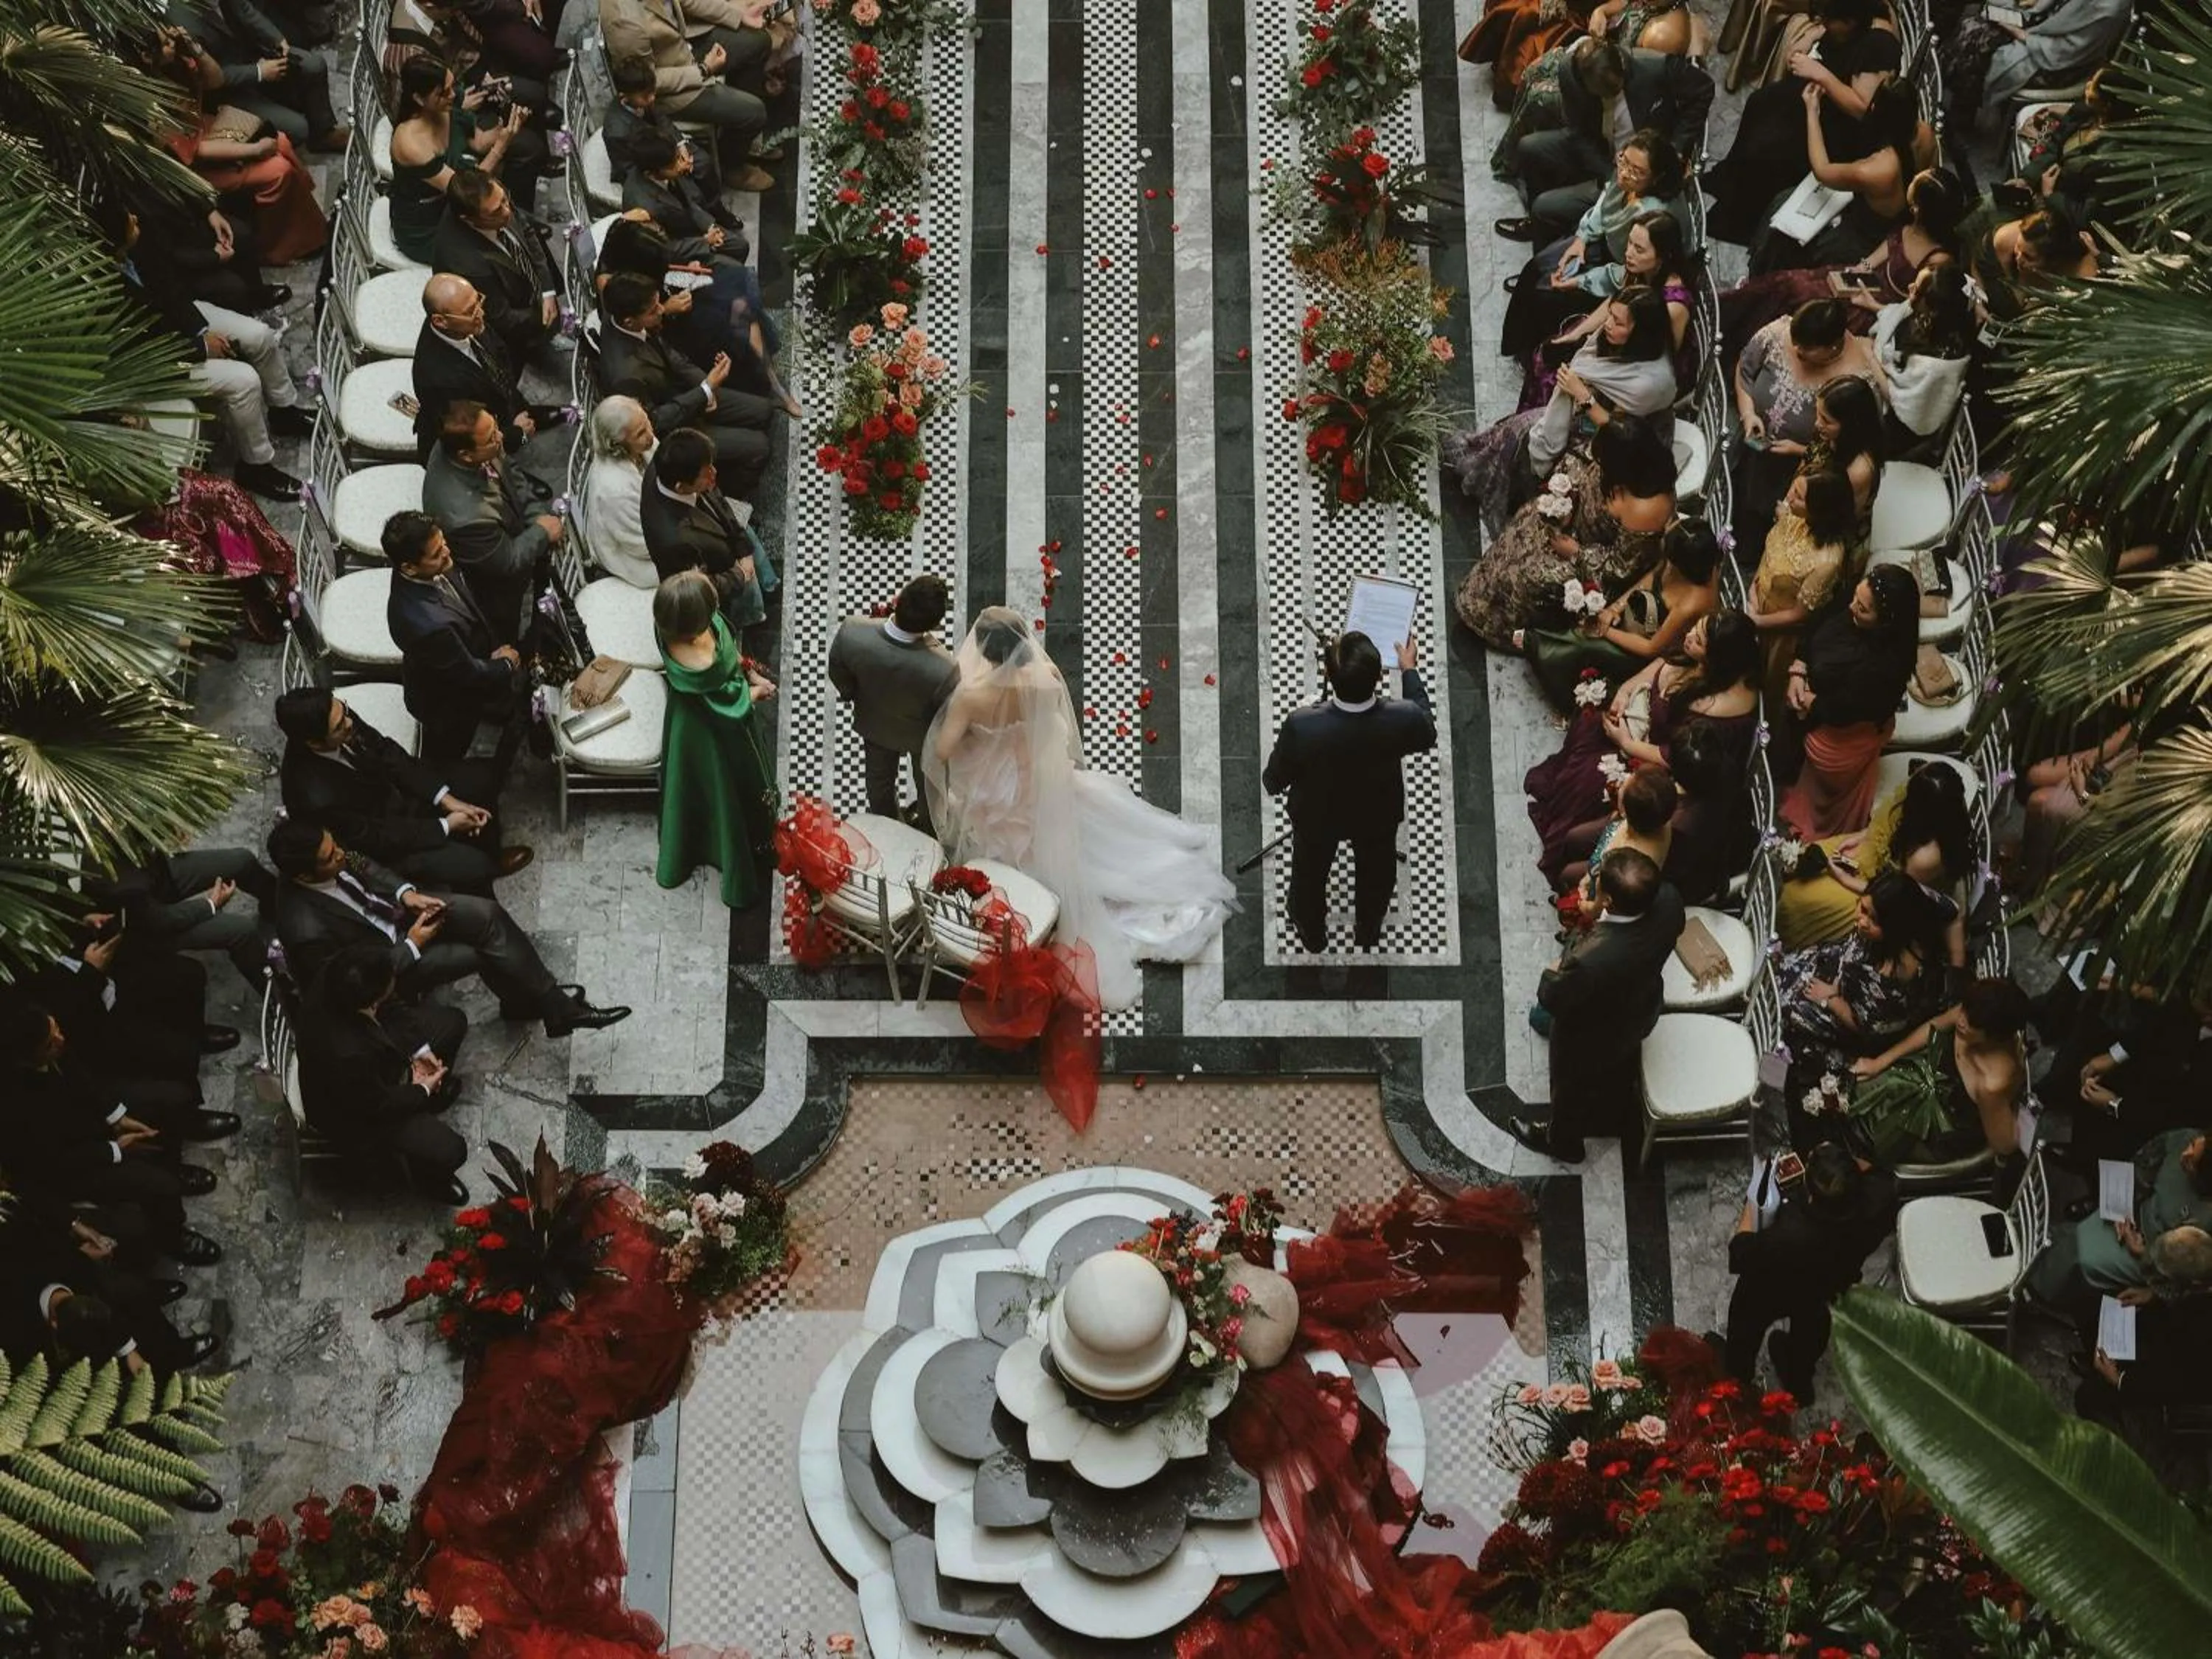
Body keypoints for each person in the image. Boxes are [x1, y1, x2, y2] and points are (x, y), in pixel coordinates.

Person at [925, 608, 1239, 1009]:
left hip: (997, 784)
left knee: (1005, 835)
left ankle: (1025, 893)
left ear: (986, 654)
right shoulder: (1045, 679)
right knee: (1056, 831)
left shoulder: (972, 695)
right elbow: (1053, 724)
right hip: (1038, 776)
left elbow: (944, 749)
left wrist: (977, 736)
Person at [265, 818, 631, 1036]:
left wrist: (405, 892)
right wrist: (411, 945)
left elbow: (362, 864)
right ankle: (537, 1006)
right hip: (390, 965)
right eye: (331, 858)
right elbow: (352, 983)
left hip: (401, 913)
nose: (341, 855)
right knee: (481, 953)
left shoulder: (336, 853)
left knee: (487, 914)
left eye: (336, 846)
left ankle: (552, 1005)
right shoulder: (305, 928)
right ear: (302, 875)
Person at [1527, 611, 1762, 890]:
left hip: (1656, 759)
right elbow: (1652, 672)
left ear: (1715, 659)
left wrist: (1626, 743)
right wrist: (1625, 693)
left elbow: (1676, 756)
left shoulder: (1715, 713)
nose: (1688, 637)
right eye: (1694, 630)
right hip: (1640, 731)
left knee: (1590, 779)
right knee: (1589, 726)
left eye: (1698, 640)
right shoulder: (1689, 654)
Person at [101, 201, 310, 501]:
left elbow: (172, 291)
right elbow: (141, 343)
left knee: (259, 335)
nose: (135, 219)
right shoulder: (107, 288)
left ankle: (284, 409)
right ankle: (257, 466)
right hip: (160, 359)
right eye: (128, 222)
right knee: (245, 382)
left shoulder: (141, 247)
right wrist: (200, 347)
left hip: (184, 320)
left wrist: (201, 331)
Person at [0, 1000, 222, 1267]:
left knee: (166, 1103)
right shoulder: (17, 1107)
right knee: (159, 1186)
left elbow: (81, 1078)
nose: (60, 1039)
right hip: (75, 1164)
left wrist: (117, 1116)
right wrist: (115, 1149)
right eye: (50, 1043)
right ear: (26, 1059)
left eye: (56, 1029)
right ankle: (171, 1237)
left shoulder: (54, 1044)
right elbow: (54, 1161)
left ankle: (170, 1164)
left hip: (89, 1121)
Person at [1262, 630, 1439, 954]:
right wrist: (1410, 671)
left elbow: (1276, 778)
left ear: (1328, 675)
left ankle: (1312, 934)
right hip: (1377, 814)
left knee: (1309, 877)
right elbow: (1427, 732)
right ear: (1380, 675)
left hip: (1317, 817)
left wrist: (1275, 780)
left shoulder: (1303, 724)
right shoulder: (1402, 717)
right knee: (1377, 877)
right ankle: (1368, 930)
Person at [1503, 848, 1685, 1162]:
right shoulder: (1670, 901)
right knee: (1615, 1066)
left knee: (1569, 1090)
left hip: (1590, 1035)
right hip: (1641, 1008)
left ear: (1610, 902)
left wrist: (1555, 967)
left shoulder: (1593, 960)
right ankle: (1611, 1102)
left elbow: (1553, 996)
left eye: (1598, 884)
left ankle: (1563, 1143)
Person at [1455, 408, 1677, 649]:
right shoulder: (1623, 448)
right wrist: (1565, 500)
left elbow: (1621, 566)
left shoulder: (1647, 508)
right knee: (1525, 525)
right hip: (1570, 522)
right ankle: (1476, 597)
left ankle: (1509, 631)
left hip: (1592, 559)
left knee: (1532, 572)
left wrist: (1577, 554)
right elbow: (1583, 458)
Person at [275, 686, 527, 895]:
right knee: (473, 866)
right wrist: (445, 826)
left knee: (483, 779)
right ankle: (482, 878)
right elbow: (375, 837)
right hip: (383, 843)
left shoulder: (339, 717)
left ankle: (489, 848)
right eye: (340, 726)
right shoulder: (314, 798)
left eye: (345, 712)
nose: (351, 723)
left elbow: (386, 752)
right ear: (314, 743)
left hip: (393, 794)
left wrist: (446, 799)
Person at [1717, 167, 1966, 370]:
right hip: (1863, 281)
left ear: (1919, 208)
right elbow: (1885, 250)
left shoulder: (1939, 261)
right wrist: (1860, 269)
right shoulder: (1911, 224)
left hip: (1876, 310)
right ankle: (1729, 317)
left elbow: (1914, 311)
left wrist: (1874, 306)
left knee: (1800, 298)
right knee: (1790, 282)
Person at [1703, 0, 1905, 248]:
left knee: (1766, 147)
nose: (1826, 25)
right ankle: (1732, 184)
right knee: (1760, 102)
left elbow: (1862, 108)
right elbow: (1794, 56)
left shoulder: (1878, 44)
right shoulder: (1839, 25)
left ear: (1850, 22)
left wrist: (1821, 75)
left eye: (1830, 21)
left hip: (1841, 125)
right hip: (1820, 96)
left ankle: (1748, 220)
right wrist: (1812, 35)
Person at [1721, 1140, 1897, 1404]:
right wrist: (1837, 1163)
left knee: (1744, 1330)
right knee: (1811, 1328)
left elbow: (1740, 1252)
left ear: (1811, 1194)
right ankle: (1798, 1380)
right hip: (1828, 1284)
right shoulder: (1880, 1197)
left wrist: (1753, 1201)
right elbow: (1875, 1173)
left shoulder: (1788, 1234)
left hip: (1769, 1289)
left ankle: (1738, 1380)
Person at [298, 945, 470, 1203]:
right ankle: (426, 1179)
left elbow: (392, 1006)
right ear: (370, 1002)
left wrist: (419, 1051)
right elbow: (376, 1104)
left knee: (453, 1023)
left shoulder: (343, 969)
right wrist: (420, 1089)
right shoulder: (347, 1053)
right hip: (353, 1111)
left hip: (373, 1066)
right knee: (452, 1151)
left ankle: (431, 1095)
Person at [145, 26, 327, 264]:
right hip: (193, 165)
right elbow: (193, 151)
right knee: (277, 171)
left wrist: (195, 49)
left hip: (206, 130)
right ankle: (277, 248)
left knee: (280, 140)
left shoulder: (175, 62)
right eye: (166, 43)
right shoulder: (149, 100)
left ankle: (307, 226)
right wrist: (254, 150)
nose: (172, 43)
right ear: (147, 55)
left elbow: (216, 79)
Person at [653, 571, 780, 908]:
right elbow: (730, 703)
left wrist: (748, 668)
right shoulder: (700, 664)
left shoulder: (671, 622)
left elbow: (728, 653)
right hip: (710, 733)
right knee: (724, 789)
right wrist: (755, 690)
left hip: (691, 719)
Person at [595, 271, 773, 492]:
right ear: (630, 322)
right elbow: (654, 423)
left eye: (659, 303)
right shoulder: (624, 376)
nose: (662, 310)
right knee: (759, 446)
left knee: (764, 410)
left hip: (685, 395)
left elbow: (671, 356)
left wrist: (706, 384)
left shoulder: (628, 319)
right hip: (675, 429)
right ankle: (725, 492)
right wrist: (705, 390)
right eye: (653, 311)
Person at [1730, 299, 1883, 555]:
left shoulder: (1857, 382)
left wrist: (1799, 450)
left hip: (1801, 481)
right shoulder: (1779, 332)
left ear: (1832, 347)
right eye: (1795, 342)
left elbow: (1846, 459)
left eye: (1806, 349)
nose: (1796, 349)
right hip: (1754, 452)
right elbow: (1745, 370)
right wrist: (1748, 414)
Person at [1778, 565, 1920, 838]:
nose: (1853, 607)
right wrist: (1799, 665)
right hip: (1815, 704)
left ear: (1886, 621)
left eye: (1864, 609)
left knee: (1823, 784)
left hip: (1839, 736)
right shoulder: (1857, 599)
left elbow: (1844, 709)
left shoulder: (1884, 669)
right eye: (1856, 597)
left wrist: (1810, 702)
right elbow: (1818, 620)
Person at [1777, 759, 1972, 957]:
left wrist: (1843, 878)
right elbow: (1886, 823)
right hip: (1872, 852)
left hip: (1878, 892)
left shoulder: (1925, 858)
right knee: (1806, 855)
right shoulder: (1918, 797)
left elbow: (1895, 895)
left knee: (1799, 899)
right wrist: (1861, 836)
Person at [1523, 516, 1722, 708]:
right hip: (1640, 616)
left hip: (1649, 652)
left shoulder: (1692, 603)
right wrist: (1614, 608)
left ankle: (1538, 648)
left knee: (1584, 643)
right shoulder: (1681, 555)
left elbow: (1651, 648)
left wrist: (1605, 631)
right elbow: (1651, 578)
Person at [383, 511, 526, 764]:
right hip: (448, 703)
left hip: (461, 654)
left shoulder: (421, 570)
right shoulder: (428, 625)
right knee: (448, 754)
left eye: (444, 544)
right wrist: (506, 663)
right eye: (437, 554)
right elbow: (468, 673)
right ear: (409, 567)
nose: (447, 553)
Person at [1778, 868, 1949, 1078]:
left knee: (1788, 1012)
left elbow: (1868, 1028)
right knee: (1785, 967)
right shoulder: (1909, 907)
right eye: (1862, 907)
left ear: (1895, 927)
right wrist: (1843, 877)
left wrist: (1831, 999)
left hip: (1849, 1015)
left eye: (1873, 919)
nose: (1862, 920)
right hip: (1838, 973)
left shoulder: (1893, 973)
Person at [1847, 978, 2031, 1169]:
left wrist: (2009, 1106)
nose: (1961, 1020)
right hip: (1921, 1077)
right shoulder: (1974, 1011)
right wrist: (1879, 1062)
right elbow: (1935, 1026)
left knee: (1877, 1139)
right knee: (1860, 1089)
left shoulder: (1992, 1081)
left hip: (1942, 1126)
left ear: (1993, 1035)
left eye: (1972, 1023)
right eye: (1964, 1010)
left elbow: (2004, 1145)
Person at [1502, 209, 1698, 388]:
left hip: (1640, 372)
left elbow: (1663, 362)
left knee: (1556, 377)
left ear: (1663, 256)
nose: (1628, 254)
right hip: (1618, 341)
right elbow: (1614, 303)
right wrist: (1576, 335)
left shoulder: (1673, 306)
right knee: (1550, 352)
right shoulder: (1640, 272)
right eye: (1630, 243)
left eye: (1639, 250)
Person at [2029, 1130, 2212, 1318]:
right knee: (2072, 1234)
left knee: (2083, 1254)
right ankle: (2035, 1248)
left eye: (2193, 1163)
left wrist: (2151, 1281)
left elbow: (2194, 1282)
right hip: (2133, 1213)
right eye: (2193, 1146)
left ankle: (2034, 1289)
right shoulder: (2186, 1139)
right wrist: (2124, 1203)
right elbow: (2144, 1164)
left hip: (2154, 1259)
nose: (2185, 1154)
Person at [826, 574, 961, 828]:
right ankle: (928, 830)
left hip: (875, 725)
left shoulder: (853, 632)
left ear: (898, 600)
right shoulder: (944, 668)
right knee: (928, 788)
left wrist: (854, 694)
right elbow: (944, 714)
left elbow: (838, 671)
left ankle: (889, 831)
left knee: (879, 785)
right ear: (932, 625)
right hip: (921, 737)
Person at [1749, 79, 1923, 274]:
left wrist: (1812, 111)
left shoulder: (1879, 169)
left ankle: (1766, 277)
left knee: (1788, 237)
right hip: (1880, 209)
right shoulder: (1926, 135)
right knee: (1784, 198)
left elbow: (1822, 171)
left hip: (1866, 234)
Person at [423, 400, 560, 645]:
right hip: (493, 585)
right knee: (505, 631)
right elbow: (506, 561)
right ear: (465, 455)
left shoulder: (482, 442)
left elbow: (510, 471)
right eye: (491, 438)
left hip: (510, 524)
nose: (500, 437)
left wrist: (535, 514)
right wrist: (542, 531)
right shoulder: (465, 519)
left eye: (496, 427)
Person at [597, 4, 773, 190]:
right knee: (754, 113)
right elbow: (643, 83)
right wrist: (702, 71)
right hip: (667, 92)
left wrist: (738, 15)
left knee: (759, 42)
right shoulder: (625, 23)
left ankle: (737, 136)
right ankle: (732, 166)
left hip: (682, 46)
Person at [387, 55, 542, 267]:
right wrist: (502, 145)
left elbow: (477, 143)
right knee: (499, 255)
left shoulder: (444, 105)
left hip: (456, 198)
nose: (454, 95)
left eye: (452, 86)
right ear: (419, 99)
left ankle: (525, 240)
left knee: (515, 224)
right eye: (443, 93)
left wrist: (505, 127)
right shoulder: (410, 143)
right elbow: (468, 191)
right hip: (430, 224)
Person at [639, 427, 779, 630]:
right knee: (747, 602)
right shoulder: (672, 541)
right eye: (707, 473)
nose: (715, 474)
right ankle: (754, 624)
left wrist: (741, 546)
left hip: (728, 537)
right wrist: (740, 574)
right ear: (681, 487)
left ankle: (771, 586)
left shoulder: (675, 467)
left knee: (751, 547)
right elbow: (698, 585)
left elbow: (717, 499)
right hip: (725, 571)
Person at [164, 0, 349, 152]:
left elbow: (244, 9)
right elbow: (208, 80)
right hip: (227, 91)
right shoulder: (183, 21)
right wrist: (259, 72)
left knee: (313, 65)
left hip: (249, 55)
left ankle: (323, 135)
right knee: (299, 129)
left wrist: (276, 39)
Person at [90, 847, 278, 989]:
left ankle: (279, 906)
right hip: (145, 927)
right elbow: (160, 921)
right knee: (240, 931)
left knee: (241, 860)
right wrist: (210, 904)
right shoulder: (119, 882)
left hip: (156, 876)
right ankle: (284, 1002)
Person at [431, 170, 563, 367]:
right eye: (495, 212)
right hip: (510, 316)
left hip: (524, 285)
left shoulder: (493, 199)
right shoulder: (467, 265)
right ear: (468, 219)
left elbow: (526, 230)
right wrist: (544, 317)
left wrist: (547, 290)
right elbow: (502, 318)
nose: (507, 212)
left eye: (505, 201)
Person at [1749, 467, 1858, 704]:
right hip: (1757, 602)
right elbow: (1770, 552)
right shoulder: (1792, 516)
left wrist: (1758, 621)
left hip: (1778, 631)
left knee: (1766, 690)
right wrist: (1753, 588)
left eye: (1799, 496)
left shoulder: (1827, 560)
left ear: (1819, 510)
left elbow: (1800, 614)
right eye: (1794, 488)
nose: (1789, 498)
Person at [1946, 0, 2134, 136]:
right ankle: (1961, 109)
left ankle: (1960, 119)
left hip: (2063, 65)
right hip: (2044, 31)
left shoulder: (2109, 6)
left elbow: (2070, 50)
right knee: (1973, 27)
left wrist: (2020, 33)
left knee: (1979, 47)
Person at [412, 274, 543, 459]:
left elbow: (500, 363)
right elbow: (477, 442)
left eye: (478, 301)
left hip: (502, 405)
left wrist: (516, 405)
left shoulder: (463, 320)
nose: (481, 313)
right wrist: (519, 436)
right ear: (440, 321)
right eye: (470, 311)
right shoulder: (440, 381)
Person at [1868, 260, 1975, 448]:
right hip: (1881, 372)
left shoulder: (1939, 365)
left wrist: (1869, 357)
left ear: (1933, 310)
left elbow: (1898, 400)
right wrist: (1873, 305)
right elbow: (1899, 314)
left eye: (1916, 289)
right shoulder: (1937, 317)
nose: (1910, 287)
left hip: (1896, 430)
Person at [602, 50, 726, 198]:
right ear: (623, 96)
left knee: (703, 163)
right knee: (688, 192)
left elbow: (661, 120)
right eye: (646, 96)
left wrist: (680, 145)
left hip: (664, 145)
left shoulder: (640, 99)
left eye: (653, 92)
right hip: (649, 169)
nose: (653, 98)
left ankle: (713, 205)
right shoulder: (616, 133)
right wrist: (670, 169)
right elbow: (627, 170)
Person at [621, 123, 748, 265]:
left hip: (691, 227)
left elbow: (688, 203)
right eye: (674, 163)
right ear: (651, 173)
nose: (681, 164)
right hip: (677, 253)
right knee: (731, 264)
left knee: (740, 247)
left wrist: (709, 226)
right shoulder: (642, 207)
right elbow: (663, 249)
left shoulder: (665, 167)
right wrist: (705, 242)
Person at [581, 395, 660, 588]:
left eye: (647, 422)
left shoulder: (641, 443)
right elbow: (642, 545)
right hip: (638, 560)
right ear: (617, 445)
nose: (650, 434)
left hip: (665, 523)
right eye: (641, 433)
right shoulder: (615, 490)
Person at [1459, 0, 1595, 111]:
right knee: (1517, 10)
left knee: (1527, 16)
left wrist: (1601, 11)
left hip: (1575, 13)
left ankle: (1510, 80)